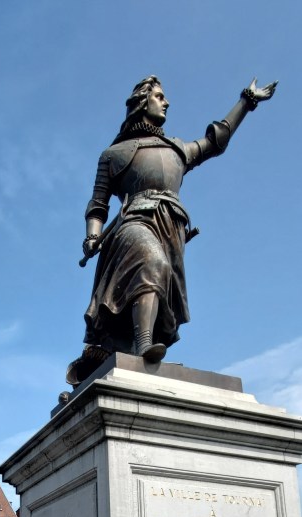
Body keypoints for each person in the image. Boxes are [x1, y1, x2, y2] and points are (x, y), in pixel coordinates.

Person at [66, 76, 277, 386]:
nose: (166, 102)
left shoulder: (177, 149)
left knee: (161, 277)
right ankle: (144, 344)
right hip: (133, 220)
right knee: (153, 264)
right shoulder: (112, 156)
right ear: (141, 102)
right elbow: (98, 205)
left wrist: (246, 101)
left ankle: (139, 346)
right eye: (159, 96)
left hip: (171, 229)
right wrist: (92, 234)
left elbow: (215, 142)